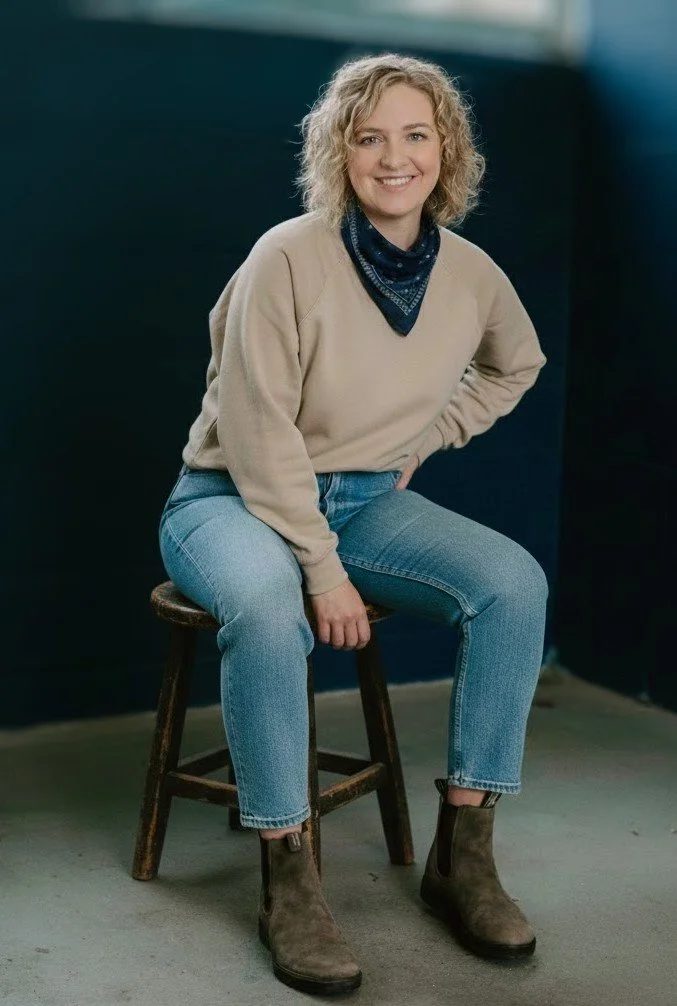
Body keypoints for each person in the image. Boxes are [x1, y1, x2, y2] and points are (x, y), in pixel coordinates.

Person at [158, 52, 548, 995]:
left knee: (512, 584)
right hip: (228, 499)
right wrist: (319, 569)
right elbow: (255, 434)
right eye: (369, 137)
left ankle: (462, 854)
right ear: (341, 152)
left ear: (445, 150)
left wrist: (428, 432)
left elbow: (513, 366)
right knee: (265, 602)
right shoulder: (286, 255)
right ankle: (290, 875)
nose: (393, 157)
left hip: (368, 498)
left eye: (415, 134)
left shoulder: (469, 273)